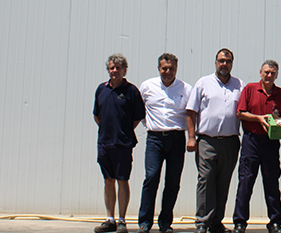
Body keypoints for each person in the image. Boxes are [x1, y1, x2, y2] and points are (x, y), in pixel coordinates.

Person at [186, 49, 244, 233]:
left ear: (232, 63)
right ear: (215, 62)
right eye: (221, 61)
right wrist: (191, 137)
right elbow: (191, 111)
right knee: (206, 180)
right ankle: (202, 222)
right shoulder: (203, 83)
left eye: (228, 61)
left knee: (223, 182)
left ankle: (216, 222)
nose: (224, 64)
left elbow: (244, 112)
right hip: (207, 142)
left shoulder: (239, 85)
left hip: (230, 142)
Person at [233, 60, 281, 233]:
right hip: (251, 141)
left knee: (272, 183)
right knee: (245, 183)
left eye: (272, 73)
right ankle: (240, 222)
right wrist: (258, 118)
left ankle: (275, 222)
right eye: (266, 72)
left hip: (271, 143)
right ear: (260, 73)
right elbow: (240, 113)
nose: (269, 75)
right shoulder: (250, 89)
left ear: (276, 75)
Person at [137, 53, 193, 233]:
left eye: (171, 69)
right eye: (164, 69)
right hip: (154, 139)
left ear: (176, 69)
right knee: (151, 177)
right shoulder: (147, 86)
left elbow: (191, 114)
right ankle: (145, 222)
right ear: (158, 68)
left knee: (173, 182)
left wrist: (192, 137)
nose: (168, 72)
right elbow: (138, 109)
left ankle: (165, 222)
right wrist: (148, 125)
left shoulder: (186, 89)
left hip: (176, 139)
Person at [93, 54, 145, 233]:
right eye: (111, 68)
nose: (114, 71)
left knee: (122, 180)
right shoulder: (101, 89)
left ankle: (122, 220)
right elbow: (97, 115)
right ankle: (110, 219)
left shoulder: (131, 91)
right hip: (104, 143)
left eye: (118, 68)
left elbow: (138, 117)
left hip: (122, 144)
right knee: (108, 180)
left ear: (124, 70)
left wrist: (122, 130)